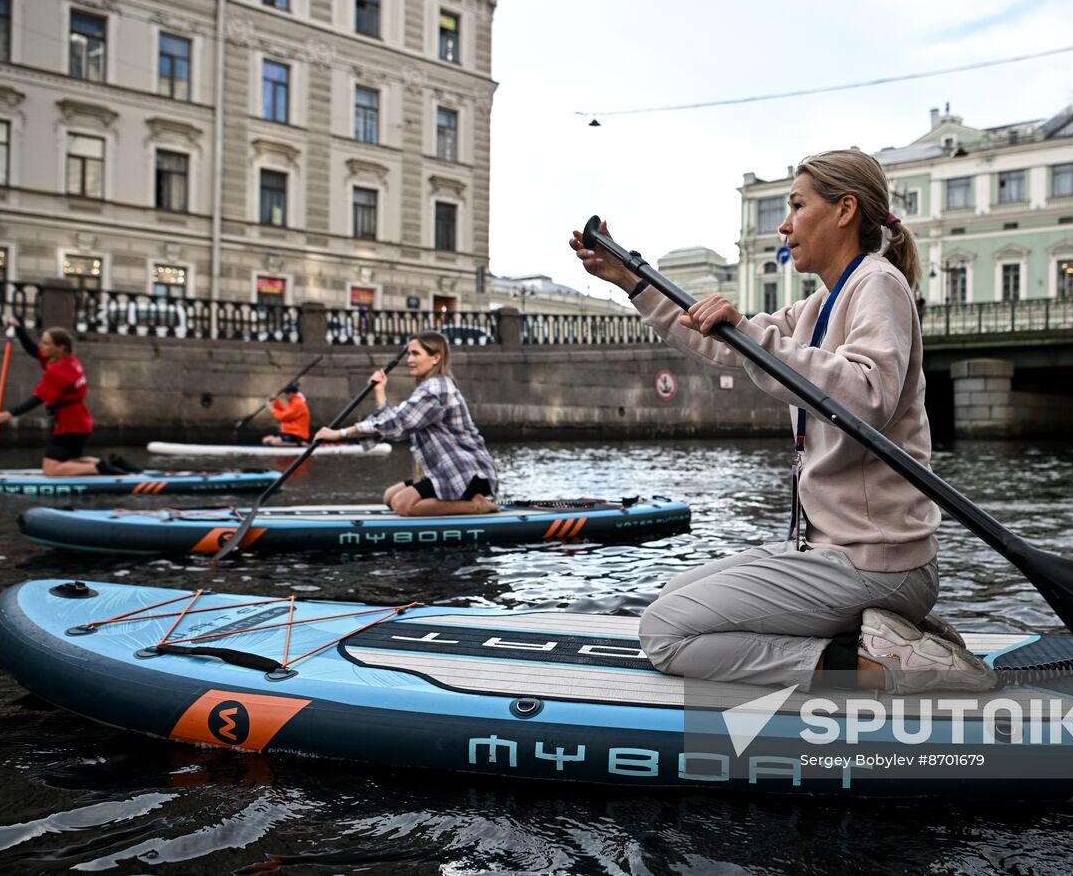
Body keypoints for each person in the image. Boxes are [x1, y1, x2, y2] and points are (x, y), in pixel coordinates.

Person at [570, 149, 994, 695]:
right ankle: (887, 637)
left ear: (844, 210)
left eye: (797, 206)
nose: (784, 224)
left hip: (875, 561)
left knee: (665, 634)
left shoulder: (878, 284)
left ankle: (888, 668)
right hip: (832, 551)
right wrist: (633, 283)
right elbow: (727, 344)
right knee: (672, 600)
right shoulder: (820, 304)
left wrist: (754, 335)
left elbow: (868, 395)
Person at [315, 332, 500, 516]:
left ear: (436, 358)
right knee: (390, 497)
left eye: (416, 354)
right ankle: (465, 502)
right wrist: (380, 390)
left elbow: (396, 423)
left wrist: (339, 434)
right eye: (409, 354)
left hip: (466, 473)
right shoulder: (429, 387)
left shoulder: (436, 390)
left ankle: (477, 506)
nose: (409, 359)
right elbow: (397, 423)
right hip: (445, 472)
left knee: (402, 504)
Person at [0, 318, 139, 476]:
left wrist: (7, 414)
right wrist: (19, 329)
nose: (41, 346)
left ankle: (97, 467)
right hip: (79, 422)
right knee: (70, 461)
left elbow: (38, 399)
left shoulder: (59, 372)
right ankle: (113, 463)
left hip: (70, 425)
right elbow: (33, 350)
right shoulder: (68, 360)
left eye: (46, 343)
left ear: (60, 347)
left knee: (51, 469)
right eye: (42, 342)